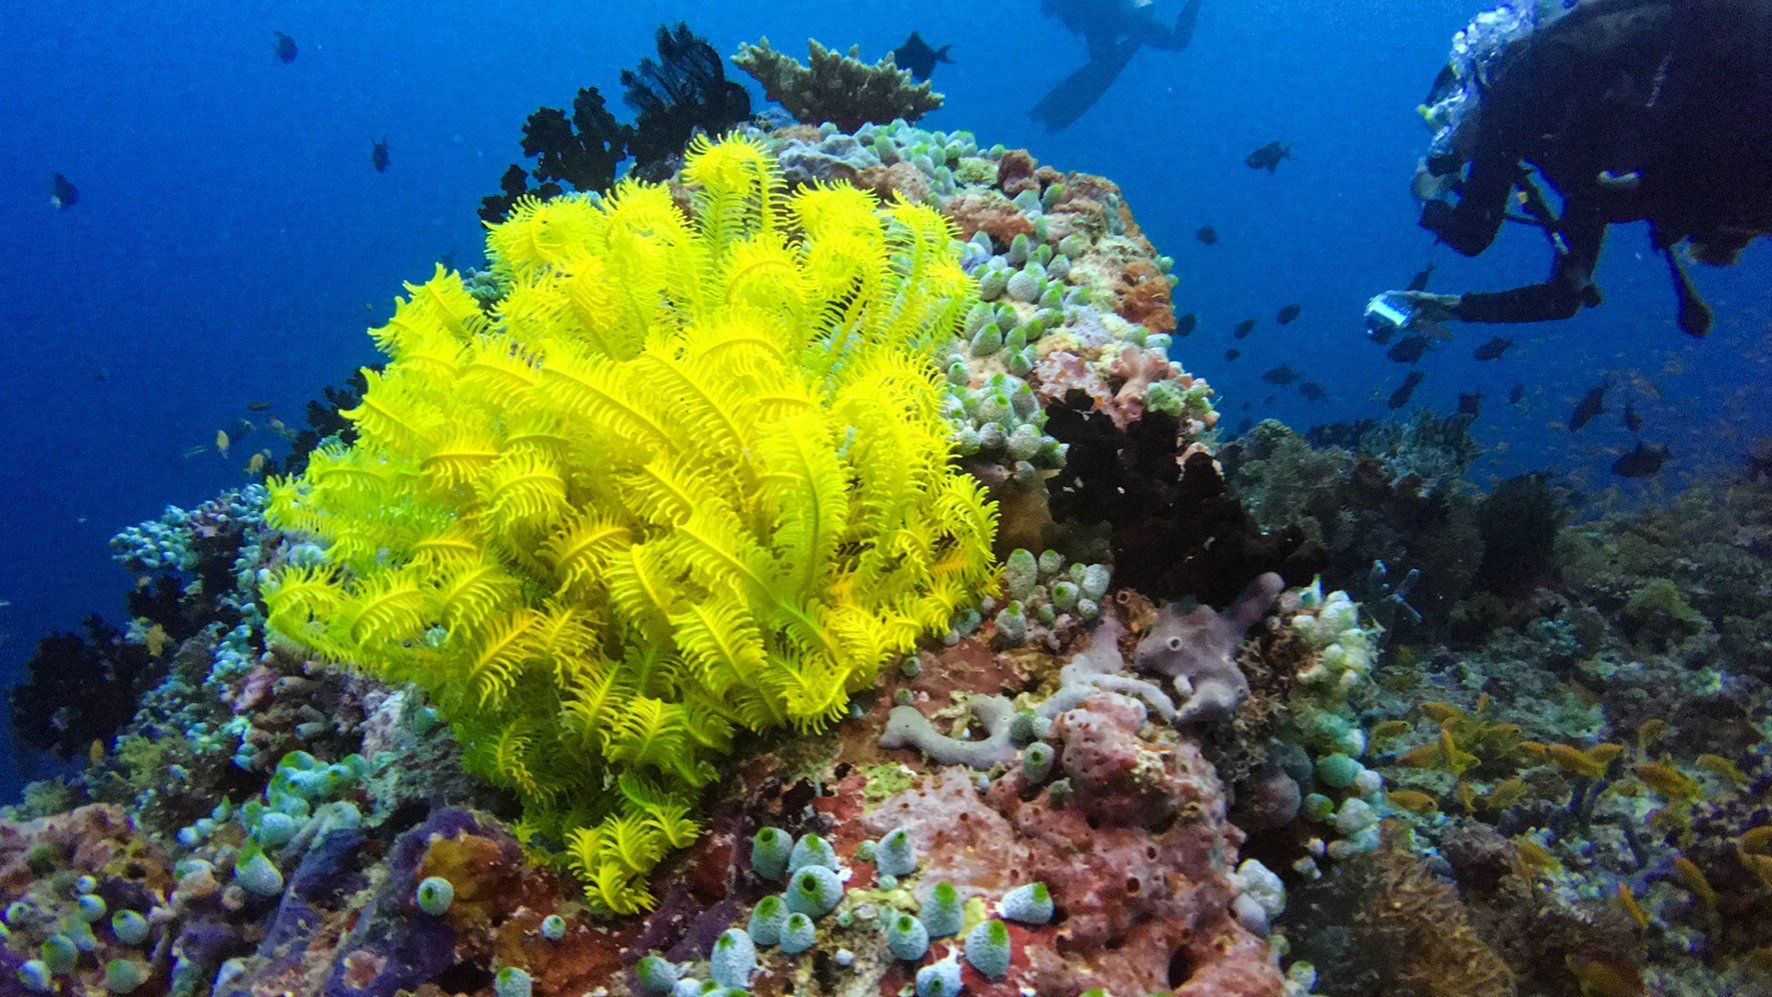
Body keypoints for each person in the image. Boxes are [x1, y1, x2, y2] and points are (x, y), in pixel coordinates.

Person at [1372, 0, 1772, 337]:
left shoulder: (1523, 90)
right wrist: (1446, 307)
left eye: (1452, 125)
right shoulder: (1594, 100)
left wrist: (1426, 192)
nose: (1455, 139)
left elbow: (1473, 235)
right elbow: (1564, 295)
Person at [1031, 0, 1204, 131]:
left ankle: (1049, 118)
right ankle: (1049, 117)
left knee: (1105, 62)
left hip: (1106, 18)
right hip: (1108, 17)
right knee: (1106, 61)